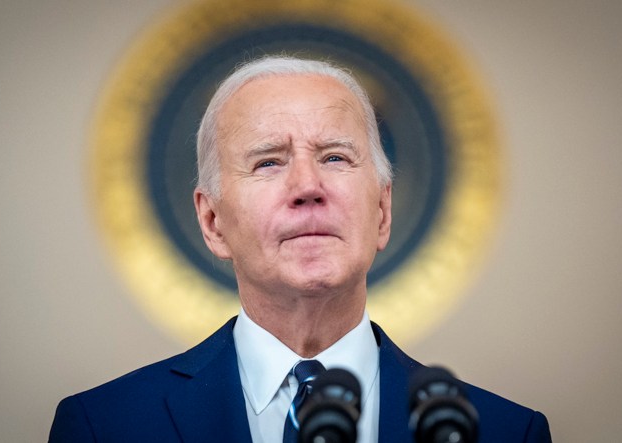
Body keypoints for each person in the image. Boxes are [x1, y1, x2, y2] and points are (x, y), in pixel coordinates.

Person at [49, 56, 552, 442]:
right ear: (212, 221)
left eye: (334, 156)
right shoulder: (104, 426)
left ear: (382, 210)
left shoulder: (507, 432)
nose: (308, 185)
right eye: (268, 162)